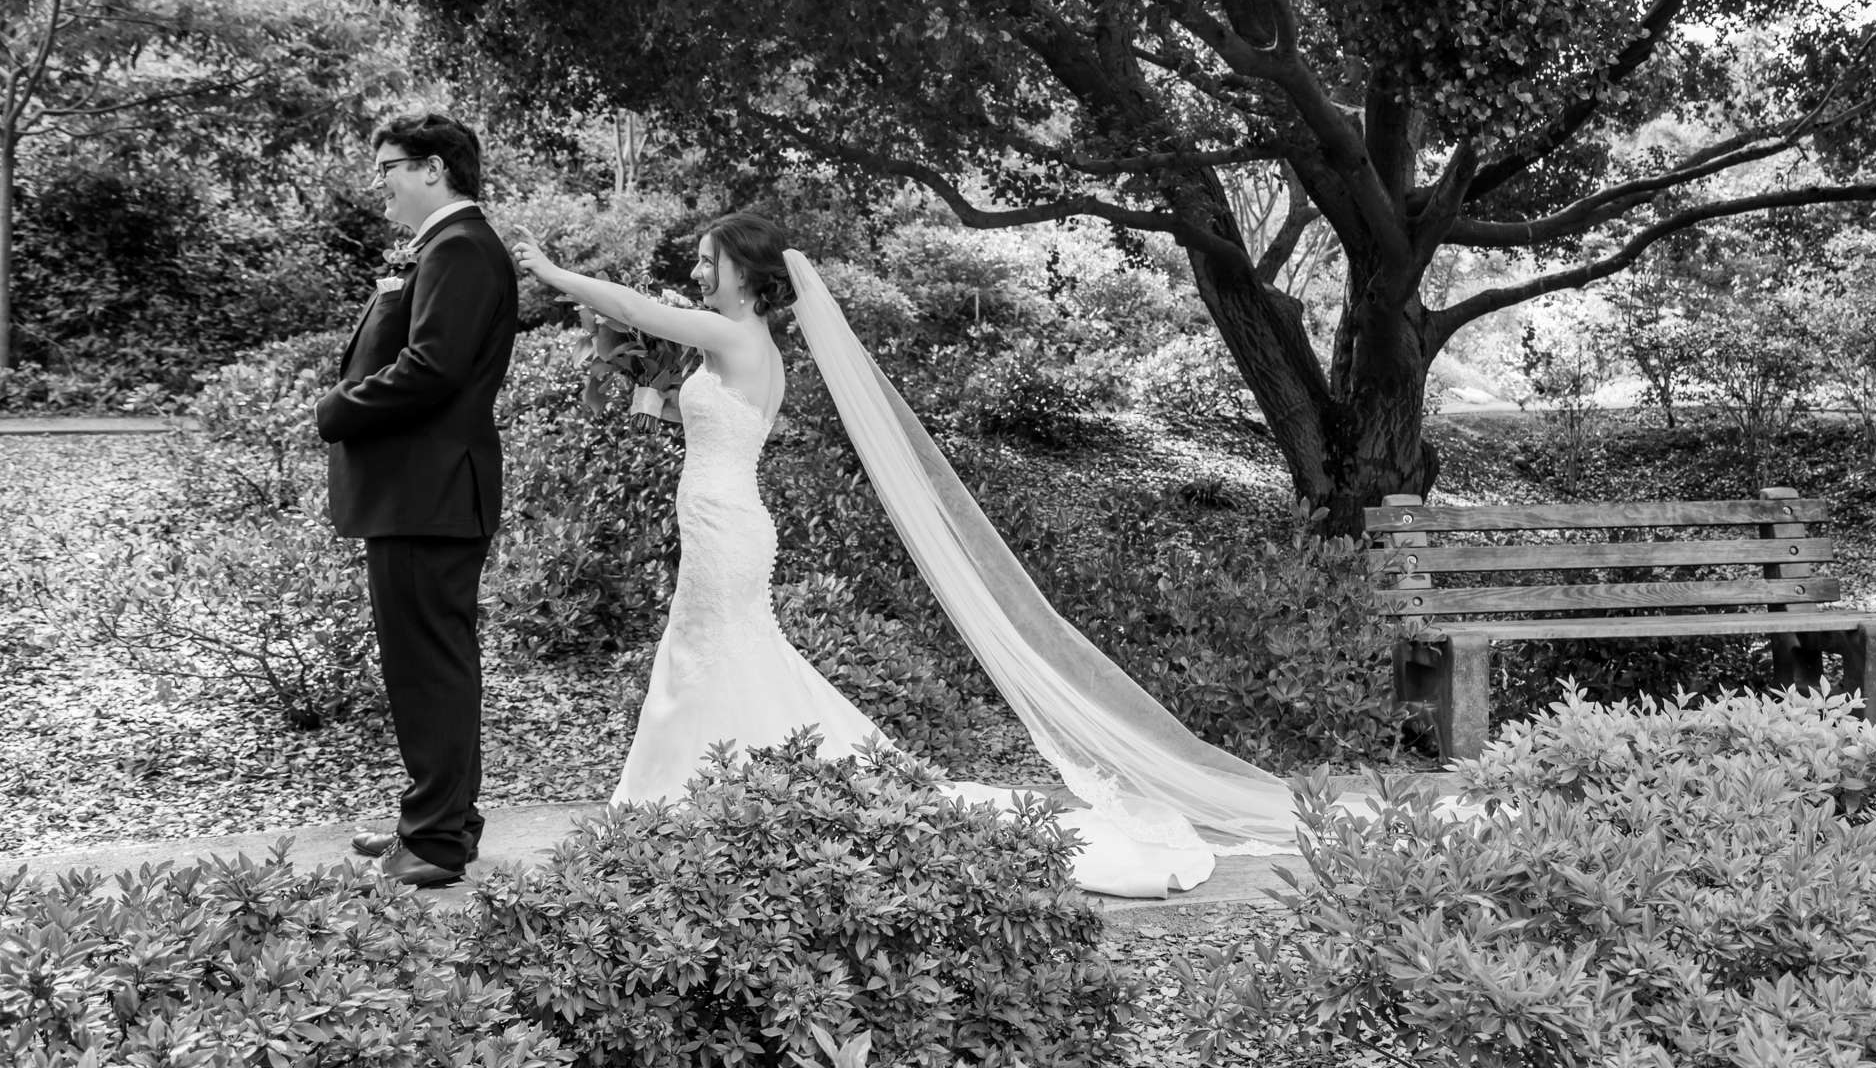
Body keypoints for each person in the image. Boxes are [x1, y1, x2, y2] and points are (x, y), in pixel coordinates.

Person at [512, 211, 1303, 898]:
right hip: (725, 523)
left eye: (706, 260)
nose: (694, 270)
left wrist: (552, 273)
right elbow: (662, 371)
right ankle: (710, 793)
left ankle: (682, 798)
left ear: (743, 278)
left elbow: (636, 306)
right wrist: (619, 354)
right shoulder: (737, 346)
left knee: (711, 654)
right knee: (716, 653)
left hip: (727, 529)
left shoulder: (735, 336)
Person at [316, 112, 519, 890]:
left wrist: (338, 409)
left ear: (434, 168)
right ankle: (441, 821)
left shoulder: (462, 247)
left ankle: (433, 841)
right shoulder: (448, 246)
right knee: (436, 659)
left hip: (428, 491)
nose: (384, 184)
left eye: (390, 168)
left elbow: (432, 366)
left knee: (426, 665)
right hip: (423, 491)